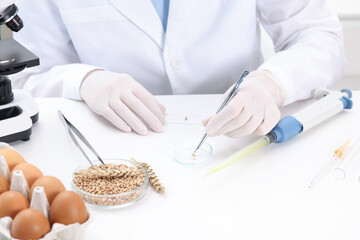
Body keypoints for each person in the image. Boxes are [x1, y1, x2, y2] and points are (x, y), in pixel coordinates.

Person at [11, 0, 345, 137]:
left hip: (243, 140)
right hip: (113, 144)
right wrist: (84, 81)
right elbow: (24, 75)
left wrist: (271, 83)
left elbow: (316, 34)